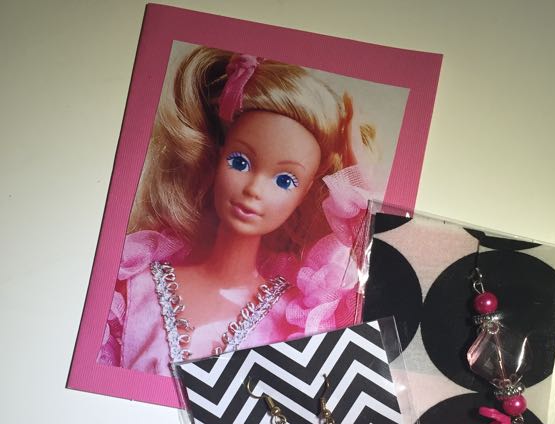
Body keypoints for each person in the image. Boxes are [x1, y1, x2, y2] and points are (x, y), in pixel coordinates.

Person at [99, 46, 377, 374]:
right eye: (240, 162)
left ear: (305, 194)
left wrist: (358, 190)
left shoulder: (302, 318)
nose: (254, 189)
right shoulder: (133, 285)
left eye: (285, 180)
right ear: (217, 156)